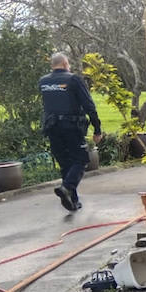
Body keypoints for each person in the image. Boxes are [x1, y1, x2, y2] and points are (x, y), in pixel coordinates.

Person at [39, 52, 103, 211]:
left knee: (66, 164)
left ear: (52, 65)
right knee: (81, 160)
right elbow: (89, 106)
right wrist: (97, 129)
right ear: (66, 64)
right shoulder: (73, 79)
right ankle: (66, 187)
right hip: (71, 126)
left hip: (52, 127)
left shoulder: (43, 82)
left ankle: (72, 201)